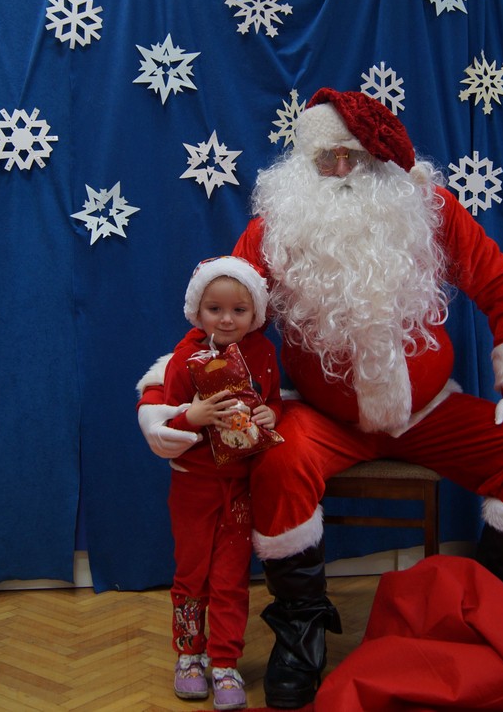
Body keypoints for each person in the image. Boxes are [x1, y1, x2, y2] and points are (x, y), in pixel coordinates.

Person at [139, 88, 503, 709]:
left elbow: (501, 285)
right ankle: (300, 631)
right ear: (304, 164)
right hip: (325, 419)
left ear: (378, 157)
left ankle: (496, 614)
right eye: (325, 158)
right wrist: (158, 396)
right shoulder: (277, 226)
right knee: (278, 461)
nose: (339, 170)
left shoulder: (430, 210)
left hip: (427, 413)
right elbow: (218, 322)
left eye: (352, 157)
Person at [151, 256, 284, 711]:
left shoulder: (263, 354)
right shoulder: (184, 358)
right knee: (191, 575)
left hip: (240, 488)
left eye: (238, 310)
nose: (226, 319)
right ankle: (189, 655)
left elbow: (272, 402)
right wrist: (194, 416)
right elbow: (166, 422)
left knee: (231, 579)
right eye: (215, 309)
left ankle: (226, 661)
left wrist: (270, 413)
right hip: (194, 486)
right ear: (198, 310)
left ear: (255, 313)